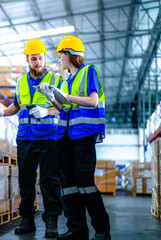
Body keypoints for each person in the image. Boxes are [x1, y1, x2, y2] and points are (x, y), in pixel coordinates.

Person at [38, 36, 111, 240]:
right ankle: (77, 230)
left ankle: (102, 231)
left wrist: (65, 96)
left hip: (83, 135)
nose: (59, 59)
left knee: (85, 182)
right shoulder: (65, 81)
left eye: (60, 55)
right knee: (68, 184)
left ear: (69, 54)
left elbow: (93, 101)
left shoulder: (89, 72)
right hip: (64, 137)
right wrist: (51, 97)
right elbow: (63, 108)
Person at [0, 38, 63, 238]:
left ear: (45, 58)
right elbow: (16, 106)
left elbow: (61, 108)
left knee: (49, 181)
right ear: (27, 60)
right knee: (26, 181)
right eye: (33, 59)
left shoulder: (56, 80)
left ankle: (51, 221)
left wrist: (46, 111)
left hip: (48, 138)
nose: (37, 62)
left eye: (40, 58)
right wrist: (2, 113)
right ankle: (27, 220)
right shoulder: (21, 82)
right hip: (24, 138)